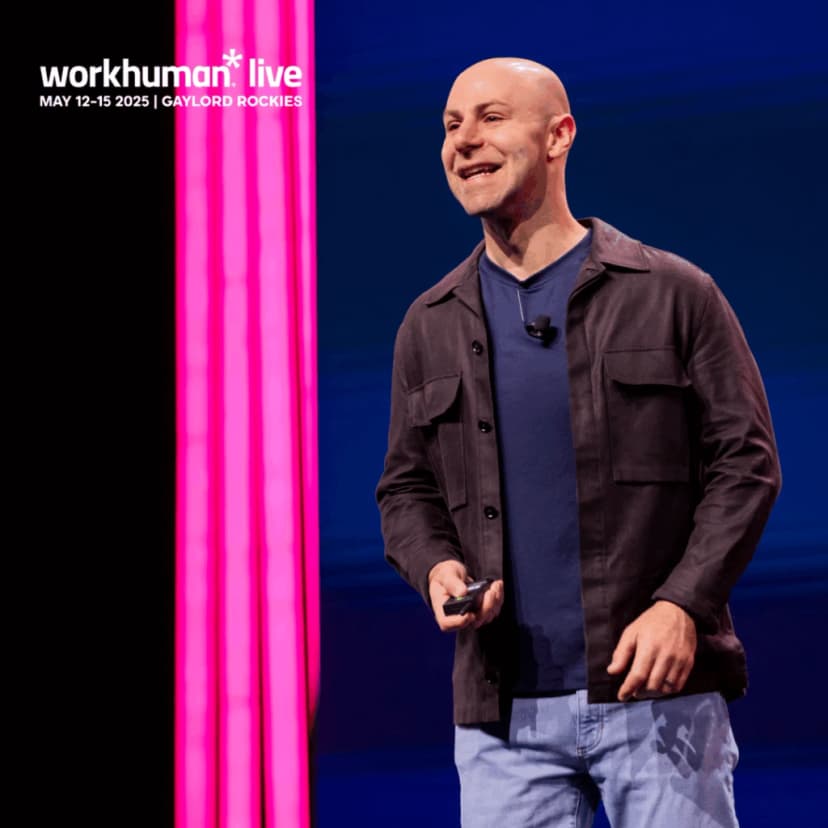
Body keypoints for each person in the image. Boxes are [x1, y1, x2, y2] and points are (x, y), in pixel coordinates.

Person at [374, 57, 781, 827]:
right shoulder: (428, 324)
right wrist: (435, 567)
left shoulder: (672, 293)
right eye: (450, 126)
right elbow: (405, 489)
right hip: (504, 721)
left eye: (491, 118)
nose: (464, 141)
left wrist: (682, 606)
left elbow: (747, 465)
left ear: (559, 134)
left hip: (657, 700)